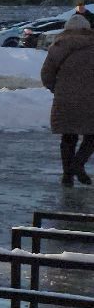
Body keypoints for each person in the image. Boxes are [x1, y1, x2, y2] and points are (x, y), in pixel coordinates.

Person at [43, 14, 94, 185]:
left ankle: (68, 175)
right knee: (92, 136)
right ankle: (78, 164)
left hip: (65, 99)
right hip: (92, 98)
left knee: (68, 137)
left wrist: (57, 90)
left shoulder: (58, 46)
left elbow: (47, 75)